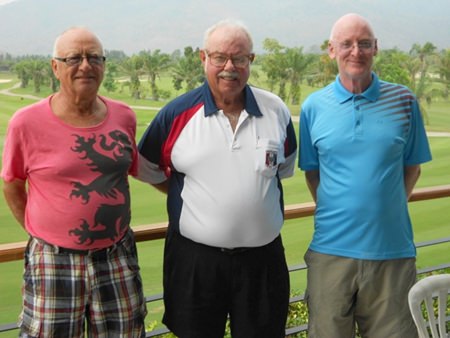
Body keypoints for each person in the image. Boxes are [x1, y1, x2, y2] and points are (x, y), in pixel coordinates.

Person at [137, 19, 297, 338]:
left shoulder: (276, 110)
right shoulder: (176, 114)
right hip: (195, 262)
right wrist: (189, 197)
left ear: (251, 61)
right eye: (219, 57)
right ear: (203, 58)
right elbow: (146, 167)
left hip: (262, 262)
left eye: (239, 58)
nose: (229, 67)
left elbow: (283, 167)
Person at [1, 27, 147, 337]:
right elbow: (12, 183)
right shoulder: (26, 123)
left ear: (104, 65)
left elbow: (129, 171)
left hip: (117, 255)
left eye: (94, 57)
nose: (85, 65)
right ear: (55, 67)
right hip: (54, 260)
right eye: (73, 58)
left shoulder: (124, 117)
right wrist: (41, 230)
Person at [298, 13, 432, 338]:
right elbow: (313, 173)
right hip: (330, 253)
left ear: (376, 49)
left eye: (364, 43)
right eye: (346, 44)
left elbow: (411, 167)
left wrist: (385, 209)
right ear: (332, 50)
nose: (355, 51)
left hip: (392, 254)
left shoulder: (403, 101)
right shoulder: (312, 108)